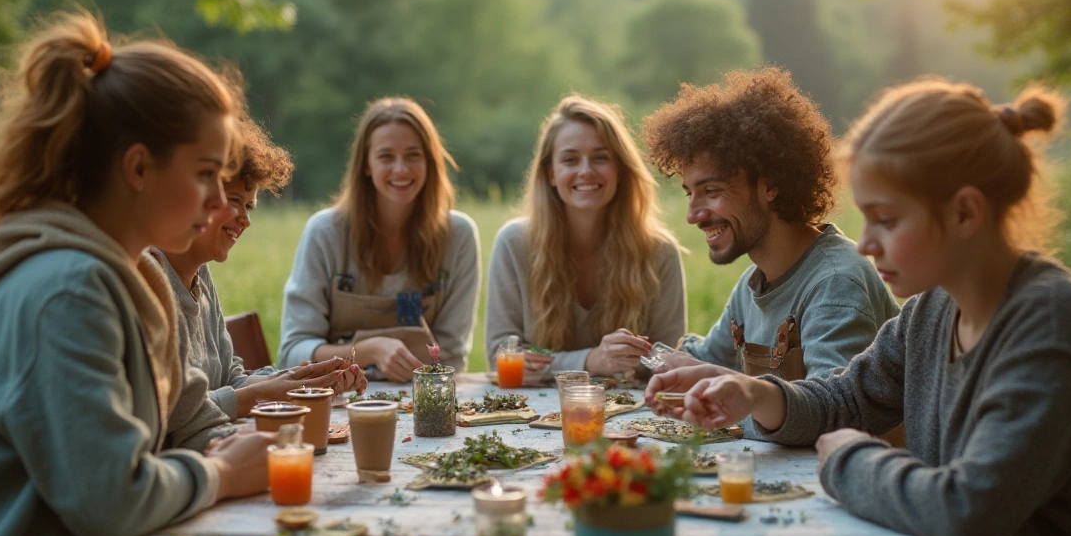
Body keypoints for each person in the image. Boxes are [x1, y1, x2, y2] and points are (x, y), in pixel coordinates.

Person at [654, 79, 1071, 536]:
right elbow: (846, 398)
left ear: (965, 212)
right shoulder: (932, 310)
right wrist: (755, 393)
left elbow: (965, 514)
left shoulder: (1054, 328)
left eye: (885, 220)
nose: (864, 244)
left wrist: (851, 459)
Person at [0, 12, 273, 536]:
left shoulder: (135, 279)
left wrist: (248, 449)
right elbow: (111, 503)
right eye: (207, 175)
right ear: (137, 167)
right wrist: (225, 475)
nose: (218, 204)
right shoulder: (67, 290)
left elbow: (189, 421)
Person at [640, 68, 898, 385]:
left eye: (711, 191)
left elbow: (833, 412)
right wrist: (642, 354)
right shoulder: (752, 285)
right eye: (689, 194)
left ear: (770, 186)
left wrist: (734, 389)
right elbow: (703, 361)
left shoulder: (836, 282)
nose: (693, 215)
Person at [155, 116, 367, 451]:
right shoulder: (151, 280)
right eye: (235, 201)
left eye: (249, 206)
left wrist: (301, 380)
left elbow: (230, 379)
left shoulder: (200, 274)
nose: (246, 220)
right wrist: (259, 394)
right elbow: (174, 417)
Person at [485, 95, 686, 381]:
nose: (586, 171)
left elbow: (668, 358)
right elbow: (501, 357)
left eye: (601, 157)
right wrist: (591, 360)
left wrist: (615, 360)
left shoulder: (660, 252)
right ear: (551, 174)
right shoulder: (514, 243)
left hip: (634, 415)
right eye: (570, 159)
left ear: (620, 170)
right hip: (528, 415)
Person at [279, 97, 480, 381]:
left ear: (430, 162)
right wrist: (369, 350)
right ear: (366, 165)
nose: (401, 169)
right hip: (337, 399)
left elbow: (452, 354)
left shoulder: (459, 236)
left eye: (413, 155)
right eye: (386, 156)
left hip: (422, 397)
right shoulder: (324, 232)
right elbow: (292, 351)